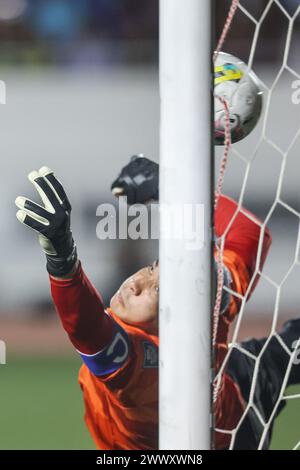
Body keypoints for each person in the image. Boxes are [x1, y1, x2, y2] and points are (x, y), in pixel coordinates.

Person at [14, 157, 300, 450]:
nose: (136, 283)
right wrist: (172, 187)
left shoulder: (142, 367)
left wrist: (63, 259)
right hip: (238, 395)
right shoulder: (213, 295)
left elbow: (87, 330)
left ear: (176, 319)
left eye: (158, 290)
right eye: (152, 268)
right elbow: (249, 233)